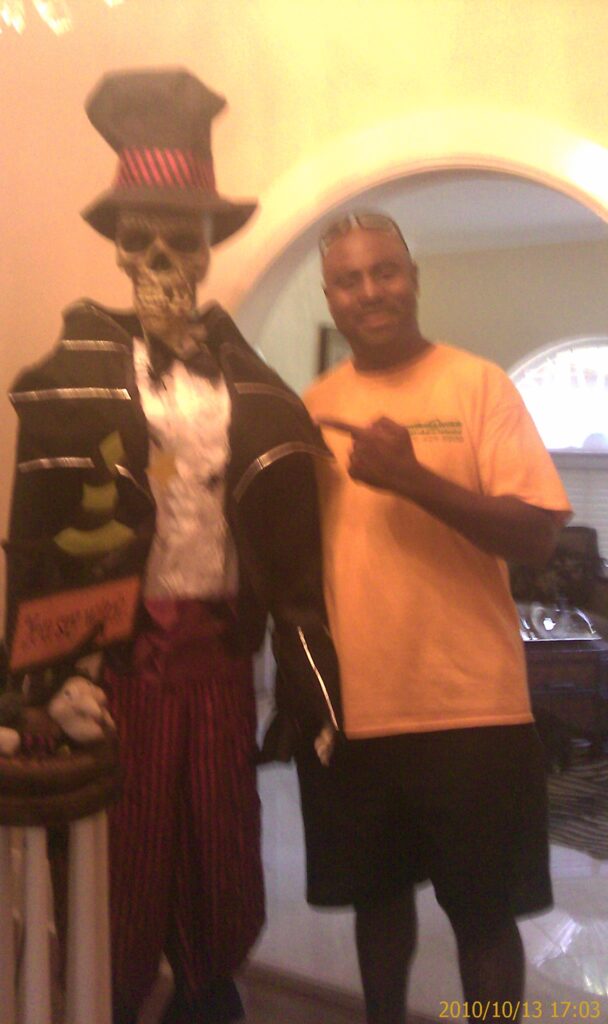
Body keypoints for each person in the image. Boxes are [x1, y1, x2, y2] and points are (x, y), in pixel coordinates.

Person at [4, 69, 342, 1024]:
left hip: (222, 661)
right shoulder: (66, 380)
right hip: (115, 662)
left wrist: (309, 672)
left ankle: (206, 988)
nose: (161, 258)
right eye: (140, 237)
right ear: (118, 246)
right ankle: (111, 996)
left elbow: (290, 552)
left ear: (206, 247)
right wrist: (35, 681)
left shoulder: (257, 388)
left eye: (181, 238)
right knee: (121, 849)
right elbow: (37, 544)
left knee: (220, 843)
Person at [300, 211, 572, 1024]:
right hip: (356, 708)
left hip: (474, 709)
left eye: (385, 271)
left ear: (413, 278)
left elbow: (537, 535)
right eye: (348, 279)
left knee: (484, 916)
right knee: (377, 908)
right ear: (330, 296)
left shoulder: (478, 385)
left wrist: (413, 479)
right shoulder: (311, 407)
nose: (369, 291)